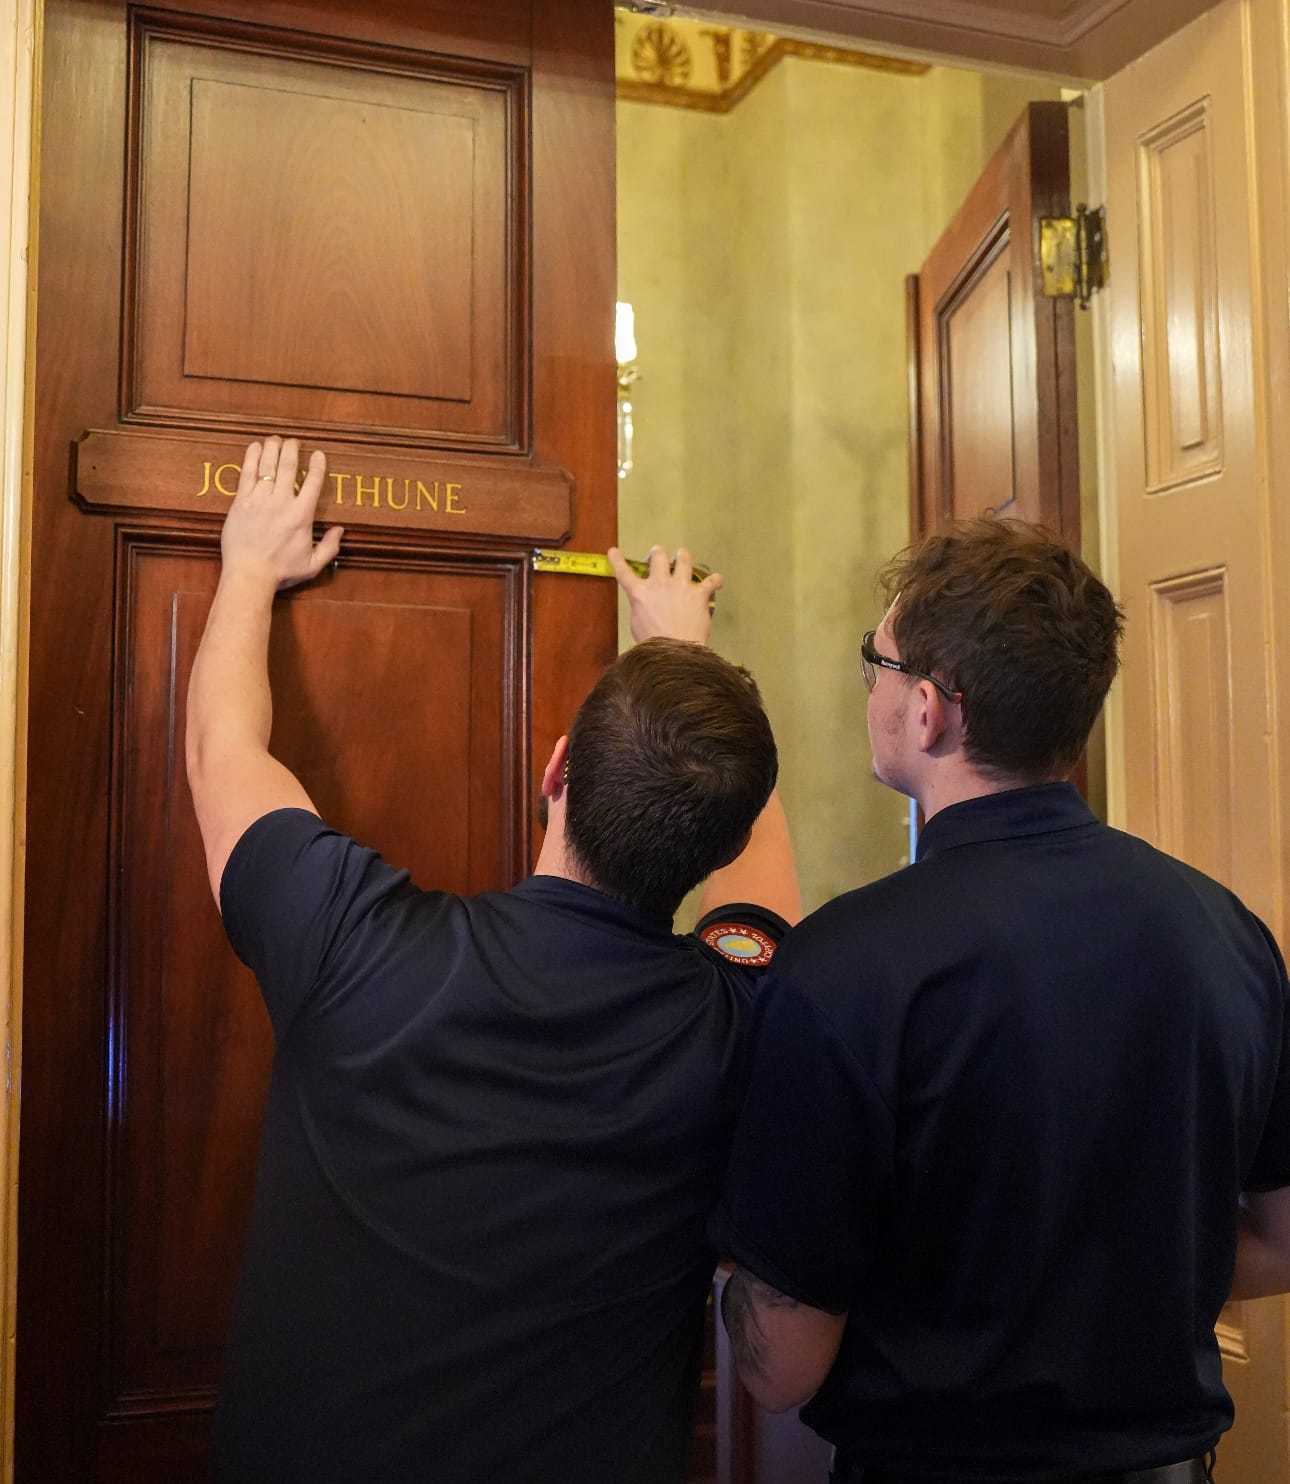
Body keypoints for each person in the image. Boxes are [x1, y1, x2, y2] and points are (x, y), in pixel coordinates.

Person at [186, 435, 801, 1484]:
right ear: (716, 846)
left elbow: (224, 752)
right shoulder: (738, 1017)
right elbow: (759, 886)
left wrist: (248, 569)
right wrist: (683, 653)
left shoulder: (353, 941)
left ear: (555, 767)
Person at [711, 516, 1290, 1484]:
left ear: (929, 708)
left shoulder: (846, 964)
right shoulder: (1225, 931)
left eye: (877, 664)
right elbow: (1278, 1242)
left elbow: (780, 1364)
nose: (874, 690)